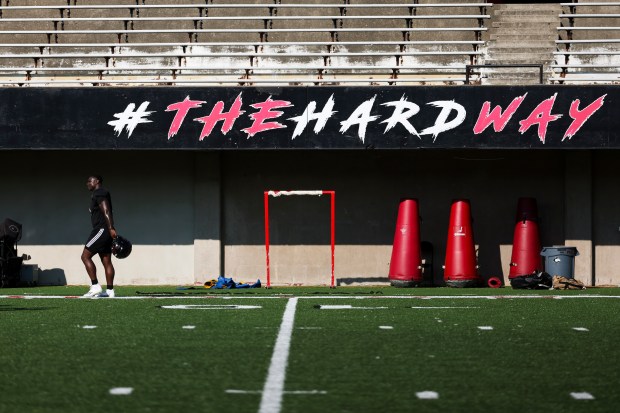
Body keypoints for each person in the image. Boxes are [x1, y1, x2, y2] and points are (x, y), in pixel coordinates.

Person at [82, 175, 118, 298]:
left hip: (101, 229)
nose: (87, 183)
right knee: (106, 260)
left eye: (89, 181)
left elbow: (106, 210)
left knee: (85, 256)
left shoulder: (99, 192)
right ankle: (109, 291)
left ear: (97, 181)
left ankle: (95, 285)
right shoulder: (100, 193)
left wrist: (111, 227)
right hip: (105, 230)